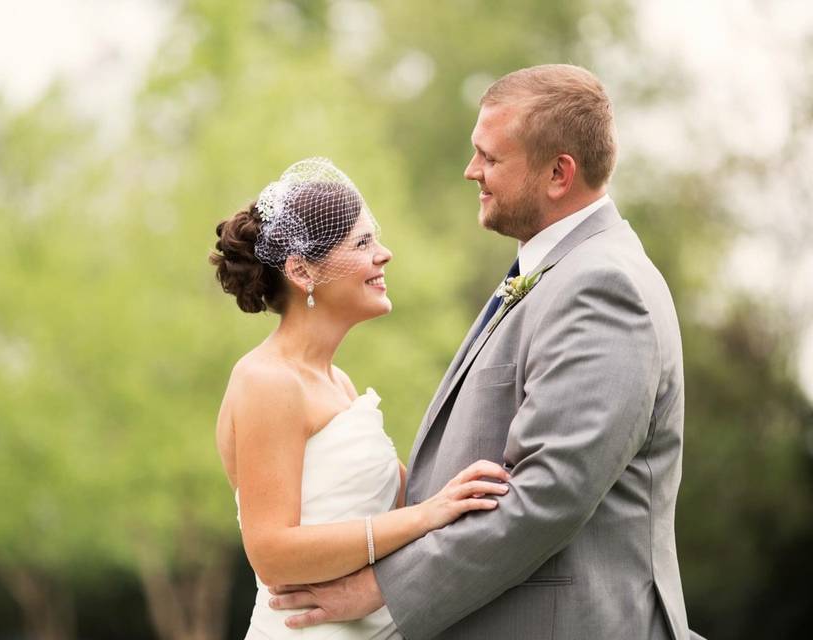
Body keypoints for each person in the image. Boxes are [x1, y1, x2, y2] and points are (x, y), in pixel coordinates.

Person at [268, 65, 705, 639]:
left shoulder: (603, 285)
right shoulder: (554, 271)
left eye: (491, 158)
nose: (472, 171)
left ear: (558, 173)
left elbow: (550, 492)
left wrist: (382, 589)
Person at [211, 158, 512, 639]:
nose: (384, 254)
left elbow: (400, 506)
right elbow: (271, 552)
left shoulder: (341, 384)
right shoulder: (266, 380)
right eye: (362, 242)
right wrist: (426, 514)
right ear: (302, 271)